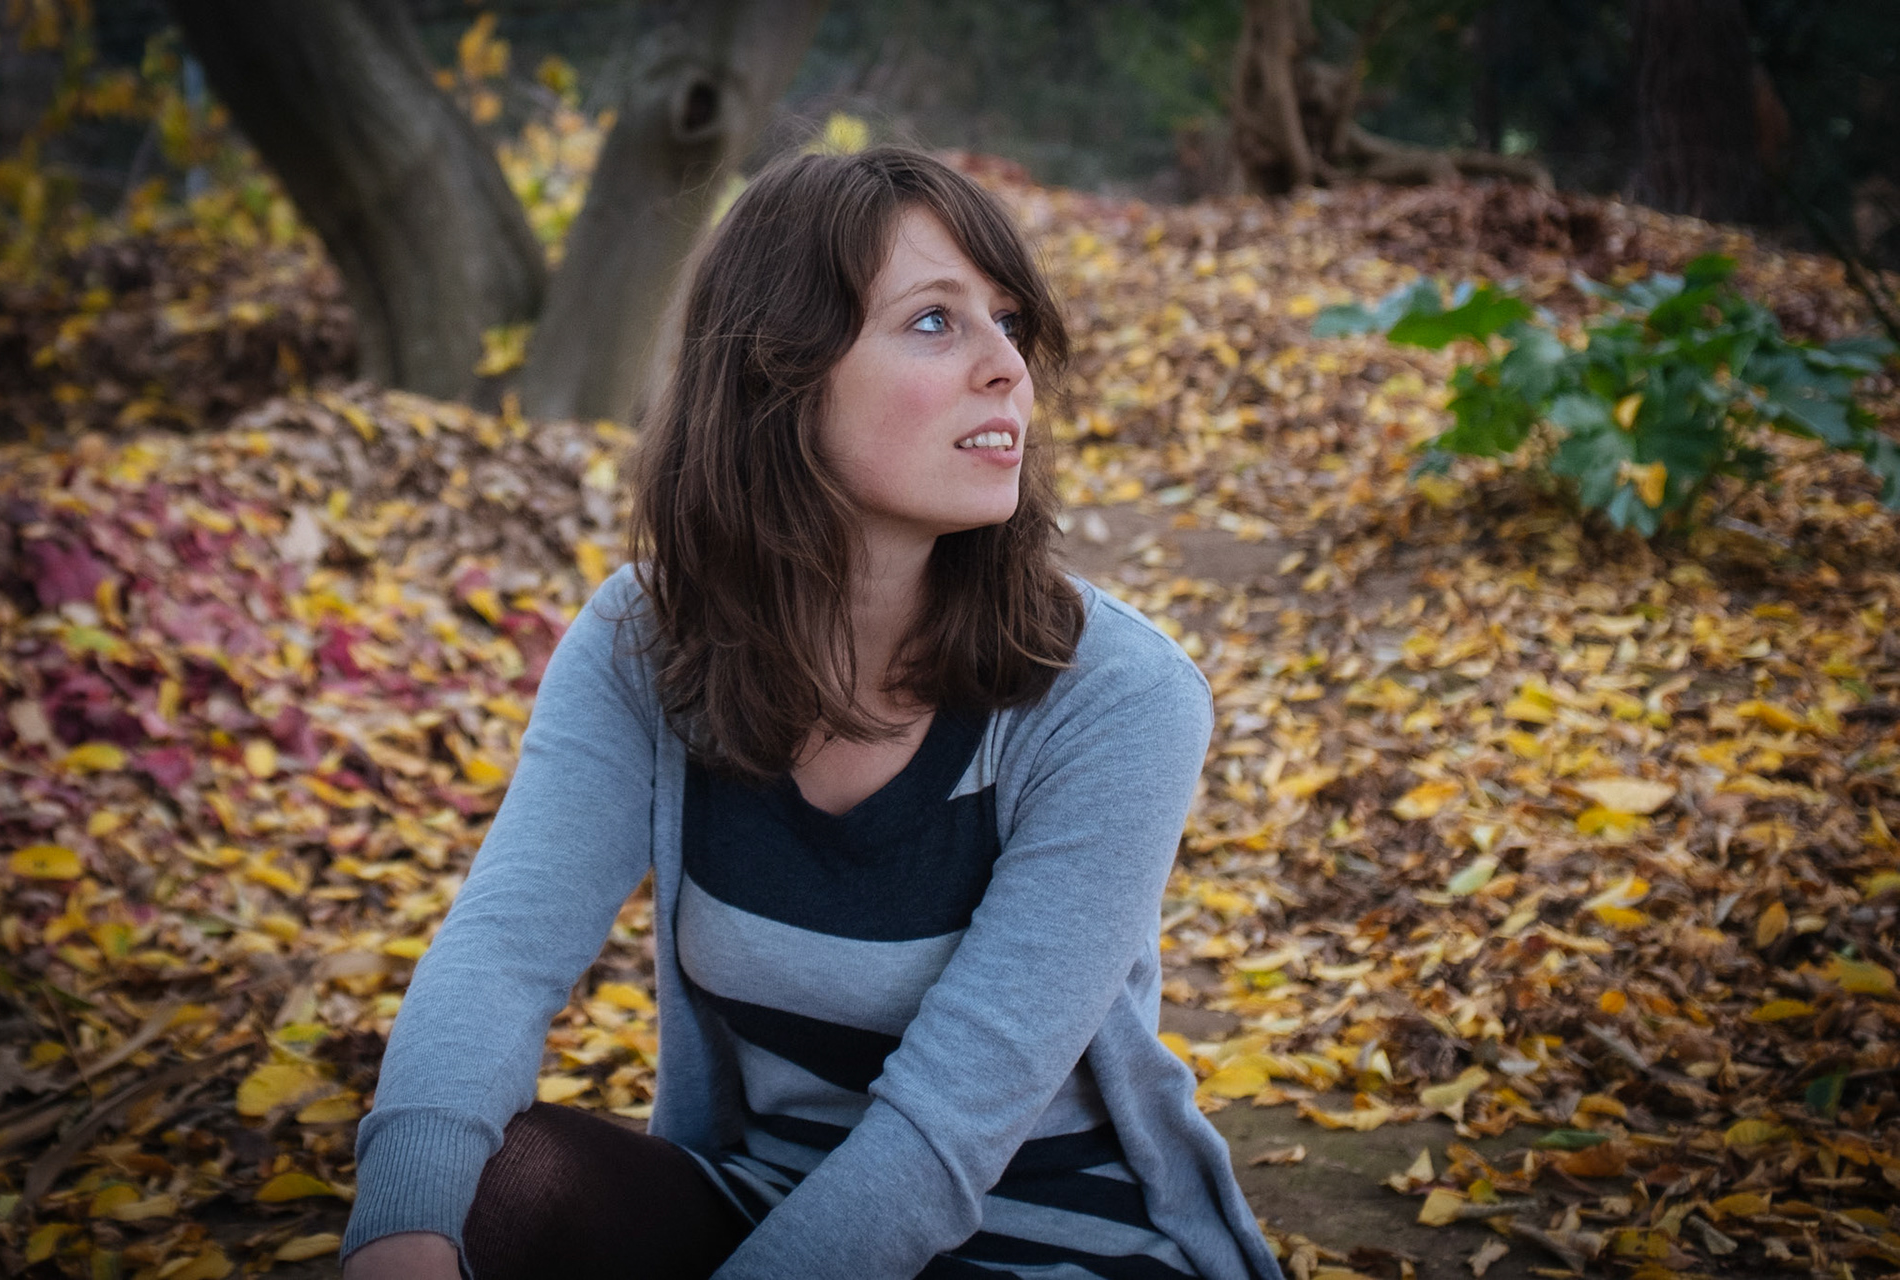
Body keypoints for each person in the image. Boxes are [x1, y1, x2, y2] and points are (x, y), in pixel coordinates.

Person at [340, 146, 1284, 1280]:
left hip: (1056, 1244)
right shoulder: (648, 639)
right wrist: (398, 1229)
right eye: (935, 322)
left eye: (1008, 322)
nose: (1007, 368)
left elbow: (940, 1136)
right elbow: (501, 952)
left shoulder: (1115, 694)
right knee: (500, 1185)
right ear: (778, 376)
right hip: (767, 1203)